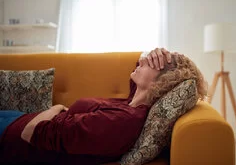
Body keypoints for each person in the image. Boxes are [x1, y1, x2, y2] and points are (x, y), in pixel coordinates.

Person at [0, 48, 207, 164]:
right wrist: (156, 53)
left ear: (160, 81)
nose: (142, 61)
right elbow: (140, 65)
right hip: (18, 118)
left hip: (11, 135)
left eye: (150, 63)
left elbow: (31, 132)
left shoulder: (121, 122)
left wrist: (57, 108)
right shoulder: (133, 104)